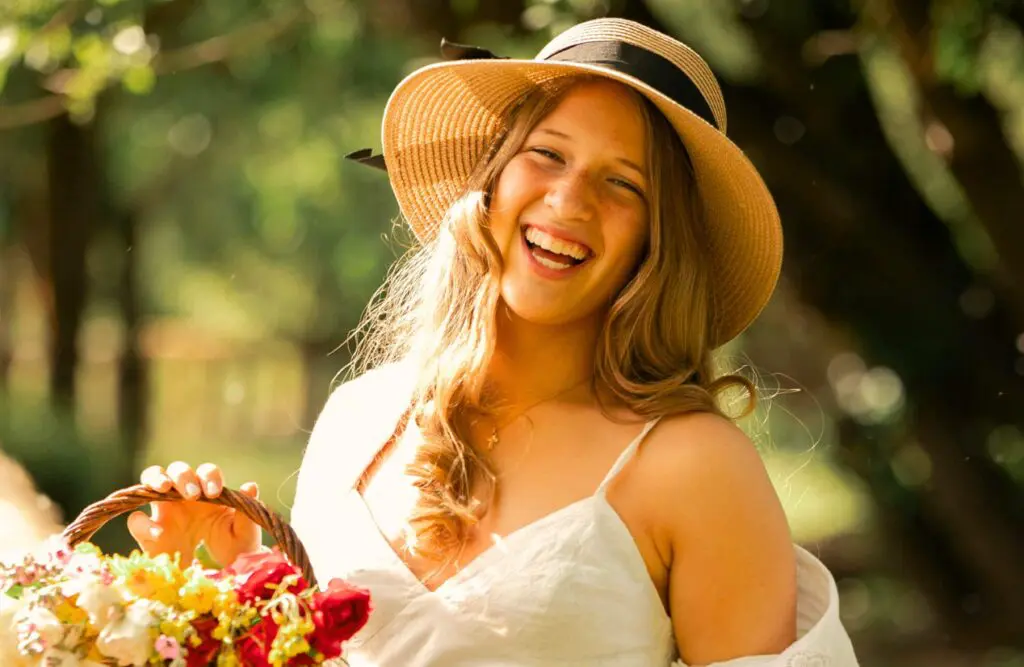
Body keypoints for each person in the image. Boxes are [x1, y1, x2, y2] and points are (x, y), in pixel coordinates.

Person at [128, 17, 860, 667]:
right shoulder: (358, 419)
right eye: (548, 155)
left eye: (624, 184)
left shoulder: (691, 465)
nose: (569, 201)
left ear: (656, 245)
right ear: (492, 178)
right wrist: (228, 579)